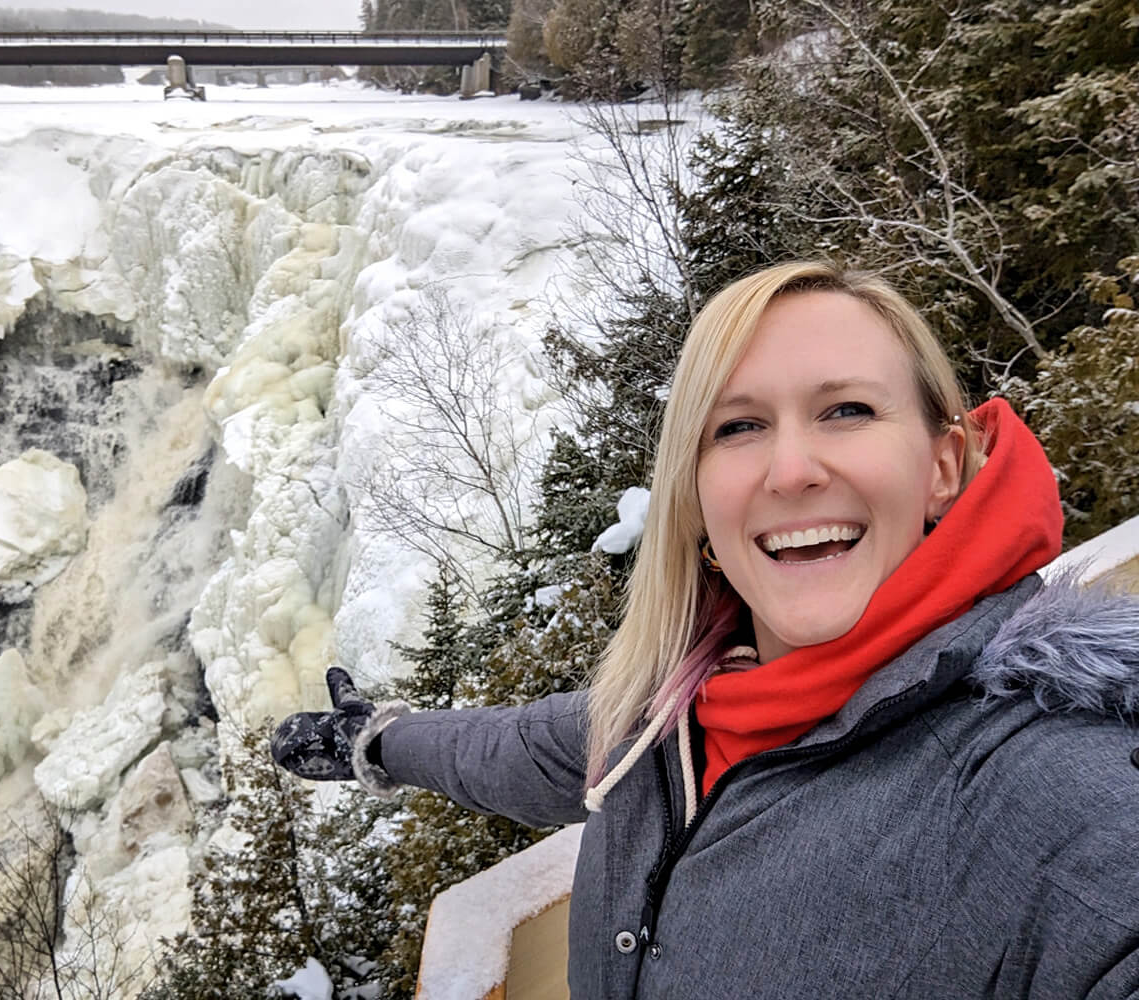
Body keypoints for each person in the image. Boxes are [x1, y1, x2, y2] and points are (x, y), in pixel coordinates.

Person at [271, 261, 1139, 998]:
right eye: (738, 427)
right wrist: (380, 743)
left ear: (944, 465)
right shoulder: (681, 714)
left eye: (847, 411)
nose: (793, 470)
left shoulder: (1046, 794)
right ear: (694, 491)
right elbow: (522, 749)